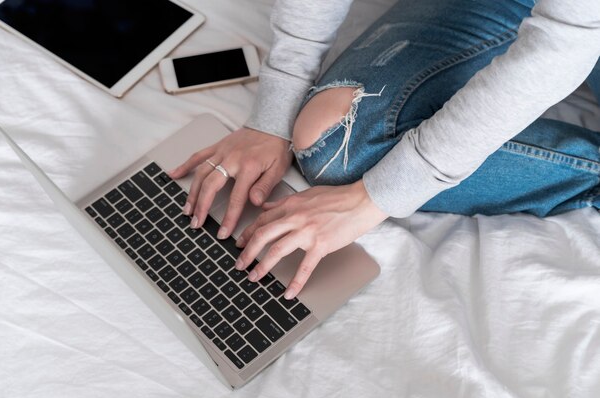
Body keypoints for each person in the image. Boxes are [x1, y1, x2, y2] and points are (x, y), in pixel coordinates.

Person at [169, 0, 600, 299]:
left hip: (574, 28)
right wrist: (272, 117)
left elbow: (561, 44)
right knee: (334, 143)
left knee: (362, 164)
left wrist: (376, 197)